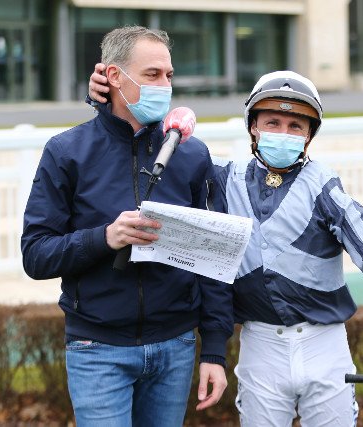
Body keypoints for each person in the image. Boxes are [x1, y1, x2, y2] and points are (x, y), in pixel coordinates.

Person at [88, 69, 363, 426]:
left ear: (309, 135)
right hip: (260, 346)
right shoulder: (222, 177)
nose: (283, 132)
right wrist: (106, 101)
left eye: (295, 126)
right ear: (253, 126)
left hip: (324, 345)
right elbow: (146, 144)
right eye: (272, 123)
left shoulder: (324, 186)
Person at [21, 26, 233, 427]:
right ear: (114, 76)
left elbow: (213, 258)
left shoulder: (192, 154)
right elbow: (35, 255)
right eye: (152, 74)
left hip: (175, 344)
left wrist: (214, 349)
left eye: (169, 75)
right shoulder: (66, 152)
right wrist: (105, 238)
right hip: (96, 347)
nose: (164, 85)